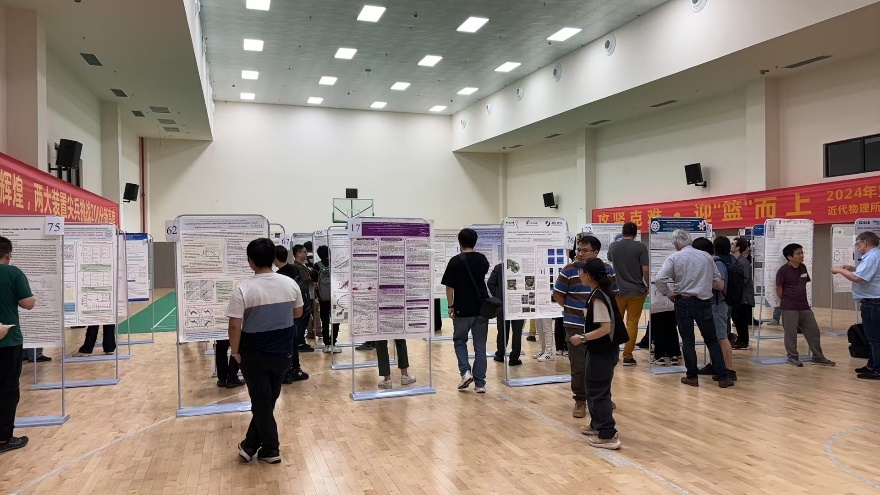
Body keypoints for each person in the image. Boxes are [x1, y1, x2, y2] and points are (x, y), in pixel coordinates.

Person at [227, 238, 305, 464]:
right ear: (273, 258)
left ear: (250, 261)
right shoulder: (289, 284)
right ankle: (249, 445)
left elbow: (234, 325)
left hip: (254, 354)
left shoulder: (243, 288)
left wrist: (235, 352)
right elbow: (298, 313)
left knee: (261, 402)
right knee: (267, 400)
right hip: (283, 352)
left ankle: (271, 449)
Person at [654, 229, 733, 388]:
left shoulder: (674, 258)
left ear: (676, 245)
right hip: (704, 302)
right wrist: (702, 284)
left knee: (688, 341)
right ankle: (723, 377)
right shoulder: (706, 256)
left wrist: (669, 294)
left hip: (683, 302)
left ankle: (692, 376)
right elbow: (717, 280)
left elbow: (659, 279)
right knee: (712, 341)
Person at [553, 234, 616, 418]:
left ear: (596, 252)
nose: (580, 253)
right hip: (575, 324)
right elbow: (558, 294)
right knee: (579, 365)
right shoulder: (569, 270)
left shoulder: (607, 270)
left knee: (603, 364)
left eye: (585, 250)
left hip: (600, 325)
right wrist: (571, 310)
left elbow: (614, 294)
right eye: (579, 250)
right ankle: (580, 399)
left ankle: (603, 396)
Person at [568, 258, 621, 450]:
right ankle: (597, 424)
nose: (579, 274)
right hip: (601, 350)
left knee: (598, 391)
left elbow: (606, 328)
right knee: (593, 387)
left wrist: (582, 338)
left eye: (581, 272)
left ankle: (608, 434)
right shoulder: (599, 292)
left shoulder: (599, 298)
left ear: (589, 275)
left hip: (603, 350)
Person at [441, 228, 490, 393]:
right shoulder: (482, 259)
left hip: (462, 309)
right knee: (480, 347)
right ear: (475, 242)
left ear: (459, 242)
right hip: (481, 309)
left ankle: (465, 372)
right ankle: (480, 384)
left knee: (460, 341)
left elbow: (449, 287)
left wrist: (450, 305)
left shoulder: (455, 261)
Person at [0, 236, 36, 453]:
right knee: (8, 390)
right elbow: (28, 303)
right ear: (8, 255)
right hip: (8, 341)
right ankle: (4, 438)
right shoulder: (13, 273)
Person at [776, 243, 835, 368]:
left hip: (804, 306)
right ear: (789, 257)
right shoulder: (783, 271)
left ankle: (818, 357)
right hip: (789, 307)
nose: (802, 255)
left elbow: (804, 282)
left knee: (814, 331)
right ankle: (792, 357)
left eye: (802, 253)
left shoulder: (802, 267)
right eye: (798, 253)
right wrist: (785, 300)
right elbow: (779, 287)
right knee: (791, 334)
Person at [833, 231, 880, 380]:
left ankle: (877, 369)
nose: (858, 247)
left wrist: (839, 270)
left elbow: (859, 278)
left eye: (858, 244)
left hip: (873, 303)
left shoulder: (872, 257)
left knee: (874, 338)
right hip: (873, 302)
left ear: (865, 243)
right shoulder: (875, 255)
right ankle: (871, 365)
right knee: (872, 337)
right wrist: (852, 269)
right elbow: (865, 274)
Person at [692, 237, 736, 381]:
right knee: (714, 338)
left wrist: (700, 282)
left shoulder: (717, 263)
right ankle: (714, 365)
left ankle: (729, 370)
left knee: (722, 337)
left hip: (718, 305)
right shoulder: (710, 262)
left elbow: (720, 285)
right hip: (711, 304)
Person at [607, 222, 649, 366]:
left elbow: (610, 259)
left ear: (622, 232)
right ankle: (628, 356)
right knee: (632, 323)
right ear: (636, 233)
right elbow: (645, 270)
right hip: (636, 291)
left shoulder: (613, 246)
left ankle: (612, 354)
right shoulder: (641, 247)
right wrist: (648, 285)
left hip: (617, 291)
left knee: (615, 322)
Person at [273, 246, 309, 383]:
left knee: (286, 343)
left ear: (274, 258)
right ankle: (295, 368)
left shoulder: (279, 276)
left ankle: (287, 372)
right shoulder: (294, 268)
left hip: (285, 313)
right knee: (293, 341)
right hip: (297, 309)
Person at [487, 262, 523, 365]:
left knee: (502, 330)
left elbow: (490, 283)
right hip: (518, 302)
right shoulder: (521, 266)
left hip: (503, 303)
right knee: (517, 332)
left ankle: (500, 354)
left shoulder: (499, 267)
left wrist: (498, 296)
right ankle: (514, 357)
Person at [283, 245, 314, 353]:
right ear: (298, 254)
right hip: (302, 296)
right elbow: (306, 280)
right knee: (301, 320)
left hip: (307, 295)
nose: (306, 254)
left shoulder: (303, 265)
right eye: (304, 252)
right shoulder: (297, 267)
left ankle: (301, 341)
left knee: (305, 320)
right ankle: (300, 342)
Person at [312, 245, 341, 353]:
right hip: (336, 297)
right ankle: (333, 343)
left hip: (323, 298)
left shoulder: (317, 265)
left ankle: (326, 344)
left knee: (324, 320)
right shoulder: (337, 264)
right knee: (336, 320)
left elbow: (315, 282)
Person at [731, 237, 754, 350]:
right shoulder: (736, 260)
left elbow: (744, 279)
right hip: (737, 296)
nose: (731, 245)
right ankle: (740, 339)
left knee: (741, 320)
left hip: (743, 297)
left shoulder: (743, 262)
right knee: (737, 319)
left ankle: (744, 341)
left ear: (738, 247)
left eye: (733, 243)